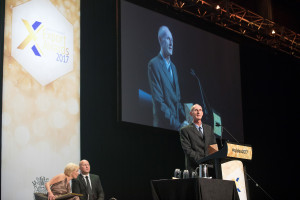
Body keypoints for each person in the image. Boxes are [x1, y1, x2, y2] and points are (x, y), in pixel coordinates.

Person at [148, 25, 188, 131]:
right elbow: (159, 103)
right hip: (163, 130)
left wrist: (189, 120)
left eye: (172, 39)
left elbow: (177, 101)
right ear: (160, 40)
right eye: (168, 38)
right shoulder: (154, 64)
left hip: (176, 129)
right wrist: (178, 126)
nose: (171, 43)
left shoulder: (174, 68)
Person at [180, 104, 216, 172]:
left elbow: (213, 148)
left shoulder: (209, 129)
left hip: (209, 168)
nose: (198, 112)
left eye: (200, 110)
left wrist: (212, 162)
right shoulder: (185, 130)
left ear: (202, 113)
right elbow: (188, 150)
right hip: (194, 168)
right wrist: (202, 161)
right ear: (191, 113)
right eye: (196, 110)